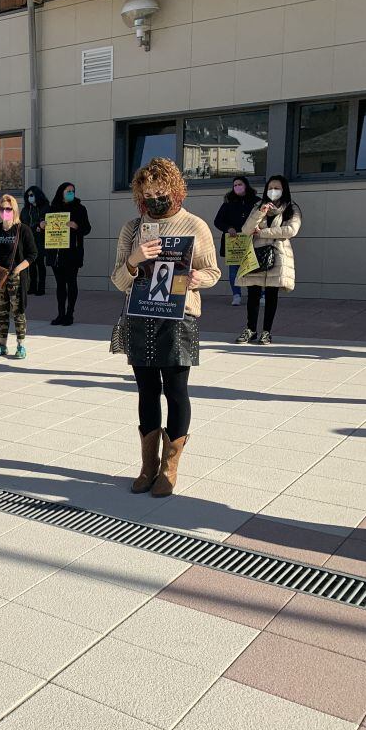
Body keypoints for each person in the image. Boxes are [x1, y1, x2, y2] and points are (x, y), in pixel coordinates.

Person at [112, 158, 219, 498]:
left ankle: (169, 469)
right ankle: (148, 466)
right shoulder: (133, 228)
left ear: (175, 190)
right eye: (147, 193)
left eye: (160, 192)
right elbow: (117, 280)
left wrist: (198, 278)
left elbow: (213, 271)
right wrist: (135, 259)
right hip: (140, 315)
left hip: (178, 318)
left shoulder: (194, 225)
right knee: (146, 392)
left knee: (176, 391)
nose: (154, 199)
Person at [235, 175, 302, 345]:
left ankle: (267, 331)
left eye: (277, 188)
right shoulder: (259, 206)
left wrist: (262, 232)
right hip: (256, 254)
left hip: (277, 254)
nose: (273, 191)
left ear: (284, 189)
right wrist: (260, 213)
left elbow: (291, 230)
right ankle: (251, 329)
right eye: (270, 187)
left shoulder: (291, 208)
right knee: (253, 293)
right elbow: (246, 229)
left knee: (271, 294)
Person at [0, 194, 37, 359]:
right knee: (2, 312)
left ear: (14, 210)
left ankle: (21, 345)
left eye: (8, 208)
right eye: (2, 208)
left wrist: (17, 269)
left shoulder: (23, 229)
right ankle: (2, 345)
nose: (5, 211)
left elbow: (32, 254)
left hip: (16, 277)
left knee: (18, 311)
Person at [43, 182, 92, 326]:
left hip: (73, 253)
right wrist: (41, 226)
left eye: (73, 191)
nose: (71, 193)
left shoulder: (80, 209)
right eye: (68, 191)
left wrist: (76, 226)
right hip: (56, 253)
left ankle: (70, 314)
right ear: (61, 192)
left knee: (71, 282)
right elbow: (39, 228)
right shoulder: (52, 209)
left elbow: (87, 228)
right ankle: (60, 314)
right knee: (60, 284)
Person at [214, 176, 260, 305]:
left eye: (240, 184)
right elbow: (218, 221)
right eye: (235, 185)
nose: (237, 187)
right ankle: (236, 295)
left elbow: (263, 218)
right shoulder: (228, 202)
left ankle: (259, 294)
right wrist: (228, 228)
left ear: (246, 185)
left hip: (252, 240)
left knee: (255, 268)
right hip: (233, 242)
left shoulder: (256, 202)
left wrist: (257, 228)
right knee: (234, 270)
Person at [22, 186, 50, 296]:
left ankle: (41, 288)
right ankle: (32, 287)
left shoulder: (45, 207)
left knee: (40, 264)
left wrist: (38, 226)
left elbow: (45, 222)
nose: (30, 197)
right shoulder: (26, 210)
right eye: (28, 195)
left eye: (32, 195)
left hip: (41, 240)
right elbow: (22, 223)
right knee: (31, 265)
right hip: (28, 241)